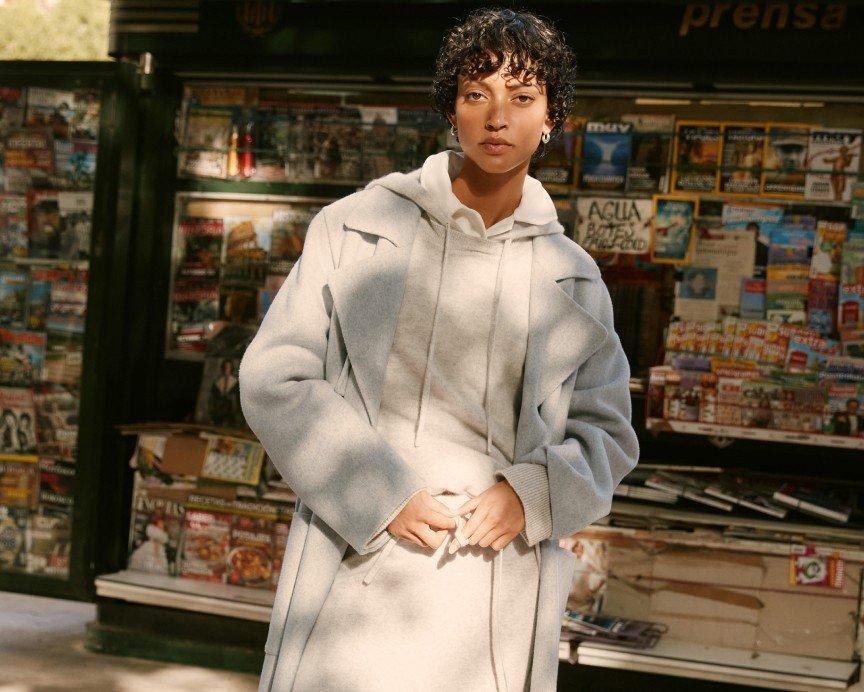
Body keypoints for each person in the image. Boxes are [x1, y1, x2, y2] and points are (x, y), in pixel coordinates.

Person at [239, 7, 638, 691]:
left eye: (522, 98)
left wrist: (533, 494)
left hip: (493, 586)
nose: (497, 117)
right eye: (476, 94)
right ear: (450, 109)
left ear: (551, 119)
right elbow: (276, 377)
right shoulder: (357, 227)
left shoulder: (572, 277)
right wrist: (380, 492)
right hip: (362, 561)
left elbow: (607, 434)